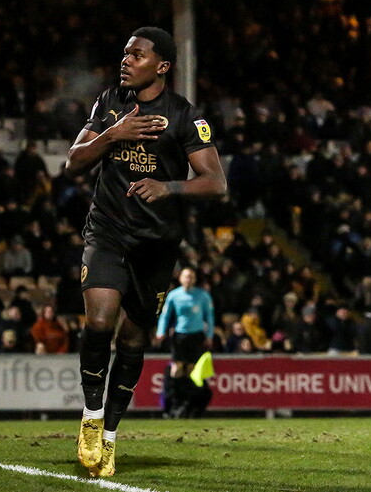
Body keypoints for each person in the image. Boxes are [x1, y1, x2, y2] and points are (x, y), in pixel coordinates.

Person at [64, 27, 227, 477]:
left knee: (133, 341)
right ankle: (92, 417)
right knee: (99, 322)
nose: (126, 60)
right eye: (124, 53)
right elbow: (73, 161)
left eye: (137, 55)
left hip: (156, 244)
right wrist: (113, 134)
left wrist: (169, 186)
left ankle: (111, 435)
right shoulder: (109, 103)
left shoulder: (184, 116)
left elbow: (216, 182)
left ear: (162, 66)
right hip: (108, 231)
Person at [155, 267, 215, 418]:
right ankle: (175, 403)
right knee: (177, 368)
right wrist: (161, 331)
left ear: (194, 279)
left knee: (191, 370)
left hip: (196, 336)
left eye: (191, 277)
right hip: (179, 336)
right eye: (186, 276)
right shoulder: (174, 296)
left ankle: (187, 404)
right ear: (181, 279)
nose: (189, 279)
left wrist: (209, 335)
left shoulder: (203, 296)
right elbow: (165, 315)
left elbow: (210, 316)